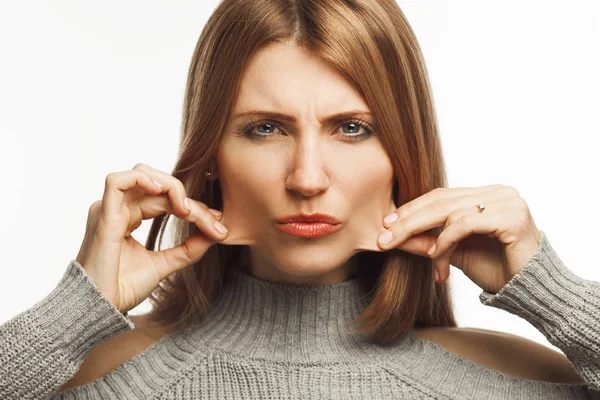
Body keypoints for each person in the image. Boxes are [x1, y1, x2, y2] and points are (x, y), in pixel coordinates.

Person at [1, 0, 599, 398]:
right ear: (212, 156)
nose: (307, 178)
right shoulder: (90, 379)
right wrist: (71, 318)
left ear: (403, 155)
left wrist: (554, 293)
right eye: (266, 128)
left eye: (351, 128)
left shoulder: (514, 382)